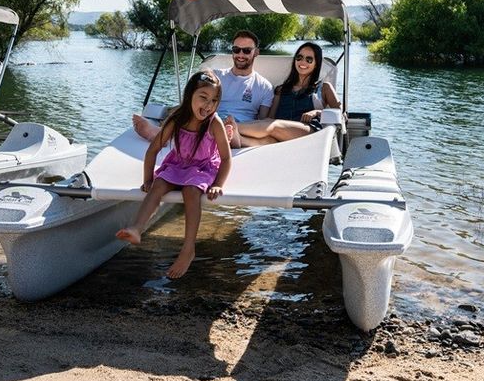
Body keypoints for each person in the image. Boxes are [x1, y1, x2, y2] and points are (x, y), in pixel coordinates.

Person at [116, 70, 232, 278]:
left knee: (190, 190)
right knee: (159, 185)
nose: (208, 105)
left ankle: (188, 249)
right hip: (178, 164)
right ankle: (137, 228)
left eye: (214, 100)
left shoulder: (214, 123)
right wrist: (148, 180)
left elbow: (225, 158)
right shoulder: (176, 119)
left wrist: (218, 184)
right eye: (203, 98)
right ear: (190, 97)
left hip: (203, 167)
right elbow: (153, 150)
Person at [133, 30, 273, 146]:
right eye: (236, 49)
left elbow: (261, 122)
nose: (240, 55)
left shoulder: (265, 86)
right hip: (209, 119)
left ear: (256, 52)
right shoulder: (216, 76)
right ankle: (164, 131)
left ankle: (165, 135)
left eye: (247, 50)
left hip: (240, 128)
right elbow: (194, 101)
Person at [224, 42, 340, 147]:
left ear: (316, 64)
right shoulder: (281, 89)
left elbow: (340, 114)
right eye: (299, 57)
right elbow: (270, 117)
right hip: (281, 133)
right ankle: (238, 139)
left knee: (273, 125)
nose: (302, 62)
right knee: (268, 137)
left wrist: (317, 112)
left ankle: (223, 130)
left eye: (309, 59)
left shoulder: (324, 88)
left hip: (309, 132)